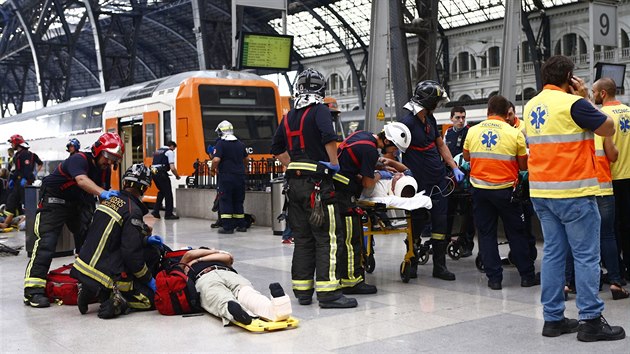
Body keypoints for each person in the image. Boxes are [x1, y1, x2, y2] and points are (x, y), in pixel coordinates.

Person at [523, 55, 624, 341]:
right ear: (569, 77)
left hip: (542, 193)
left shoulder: (530, 106)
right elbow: (607, 127)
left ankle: (553, 319)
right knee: (586, 256)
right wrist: (584, 98)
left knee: (554, 254)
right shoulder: (574, 104)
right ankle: (590, 320)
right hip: (574, 192)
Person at [271, 67, 357, 309]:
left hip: (294, 186)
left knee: (302, 238)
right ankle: (329, 294)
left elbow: (277, 148)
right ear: (321, 89)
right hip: (317, 186)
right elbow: (329, 137)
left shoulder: (288, 116)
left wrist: (295, 164)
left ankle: (303, 292)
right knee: (327, 238)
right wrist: (334, 165)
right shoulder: (320, 110)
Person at [23, 132, 124, 308]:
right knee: (47, 242)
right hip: (54, 201)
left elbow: (102, 195)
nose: (109, 162)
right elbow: (81, 180)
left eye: (113, 159)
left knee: (89, 241)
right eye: (108, 156)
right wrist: (103, 192)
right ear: (98, 150)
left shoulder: (103, 171)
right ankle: (33, 290)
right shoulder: (79, 159)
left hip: (77, 204)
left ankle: (88, 283)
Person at [463, 95, 539, 290]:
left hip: (480, 191)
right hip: (506, 192)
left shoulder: (472, 131)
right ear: (507, 114)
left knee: (486, 234)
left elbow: (466, 157)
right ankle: (526, 276)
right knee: (516, 232)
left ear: (488, 112)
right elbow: (523, 166)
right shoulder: (514, 134)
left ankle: (494, 279)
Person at [71, 163, 161, 319]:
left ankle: (90, 289)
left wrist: (144, 239)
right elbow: (132, 255)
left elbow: (113, 235)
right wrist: (149, 280)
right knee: (150, 299)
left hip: (83, 267)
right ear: (144, 189)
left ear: (124, 182)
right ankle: (120, 301)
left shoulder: (107, 201)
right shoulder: (133, 210)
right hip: (105, 274)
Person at [399, 80, 465, 281]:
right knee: (416, 223)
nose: (437, 104)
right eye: (435, 100)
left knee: (440, 224)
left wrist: (454, 167)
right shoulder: (408, 123)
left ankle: (440, 266)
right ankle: (411, 262)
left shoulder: (430, 120)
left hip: (438, 180)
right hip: (418, 183)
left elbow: (440, 145)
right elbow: (394, 149)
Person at [334, 122, 410, 295]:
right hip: (344, 196)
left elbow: (352, 160)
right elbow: (368, 184)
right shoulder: (369, 149)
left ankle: (345, 278)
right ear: (389, 141)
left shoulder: (362, 135)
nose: (396, 152)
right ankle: (351, 283)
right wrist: (380, 174)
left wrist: (379, 166)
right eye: (395, 147)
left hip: (338, 192)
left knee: (345, 239)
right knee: (351, 240)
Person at [179, 248, 292, 325]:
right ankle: (237, 313)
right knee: (220, 298)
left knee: (246, 293)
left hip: (228, 273)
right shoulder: (184, 262)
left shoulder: (212, 257)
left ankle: (280, 308)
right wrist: (195, 258)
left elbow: (228, 257)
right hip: (204, 278)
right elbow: (188, 254)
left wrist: (199, 259)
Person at [592, 77, 630, 297]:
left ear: (603, 94)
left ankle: (616, 272)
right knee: (627, 227)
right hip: (629, 176)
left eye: (594, 92)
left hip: (611, 178)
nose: (593, 95)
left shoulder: (602, 118)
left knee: (610, 231)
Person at [444, 106, 475, 257]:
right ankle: (445, 240)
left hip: (466, 178)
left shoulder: (470, 132)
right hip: (451, 178)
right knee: (448, 211)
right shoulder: (448, 133)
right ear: (451, 118)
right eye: (457, 117)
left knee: (467, 213)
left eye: (463, 117)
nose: (461, 120)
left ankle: (467, 244)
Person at [210, 121, 249, 234]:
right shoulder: (240, 144)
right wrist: (244, 168)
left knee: (226, 200)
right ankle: (241, 225)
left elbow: (216, 159)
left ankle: (228, 227)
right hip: (240, 176)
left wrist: (212, 168)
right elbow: (247, 159)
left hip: (226, 176)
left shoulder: (221, 144)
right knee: (238, 200)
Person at [1, 135, 43, 230]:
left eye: (12, 143)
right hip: (17, 182)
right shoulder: (17, 155)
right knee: (11, 201)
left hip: (25, 182)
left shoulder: (28, 154)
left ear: (16, 143)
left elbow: (30, 167)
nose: (11, 145)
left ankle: (27, 222)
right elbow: (16, 169)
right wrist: (12, 179)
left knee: (26, 203)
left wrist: (33, 174)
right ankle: (6, 223)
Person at [151, 141, 181, 220]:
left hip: (154, 173)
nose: (173, 150)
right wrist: (177, 175)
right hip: (161, 173)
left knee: (162, 191)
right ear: (171, 146)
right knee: (168, 193)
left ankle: (156, 211)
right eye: (174, 148)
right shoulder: (169, 152)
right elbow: (172, 167)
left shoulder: (158, 151)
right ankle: (168, 214)